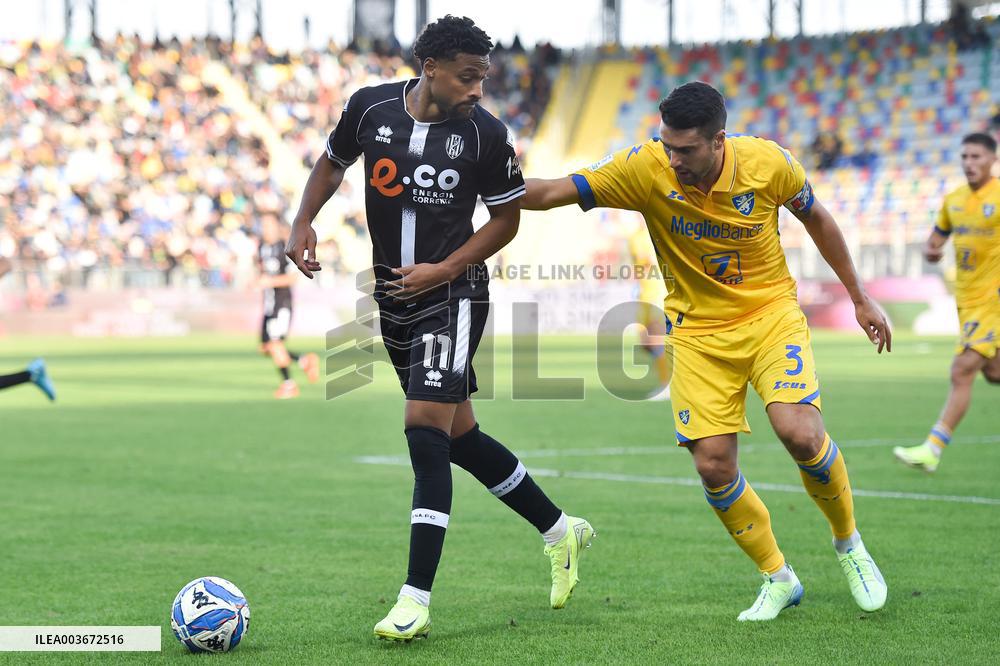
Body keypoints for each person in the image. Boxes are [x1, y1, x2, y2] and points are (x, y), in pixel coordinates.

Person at [522, 81, 891, 621]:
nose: (673, 160)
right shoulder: (645, 167)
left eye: (686, 150)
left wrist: (859, 298)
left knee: (800, 432)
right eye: (667, 146)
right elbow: (555, 191)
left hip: (770, 317)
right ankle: (777, 577)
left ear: (719, 141)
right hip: (695, 334)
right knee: (714, 465)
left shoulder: (769, 163)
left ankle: (849, 545)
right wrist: (484, 186)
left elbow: (817, 218)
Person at [285, 15, 593, 642]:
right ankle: (562, 532)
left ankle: (414, 600)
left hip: (453, 292)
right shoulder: (370, 108)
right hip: (393, 293)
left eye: (484, 77)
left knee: (424, 429)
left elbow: (507, 220)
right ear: (430, 67)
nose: (479, 88)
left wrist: (445, 269)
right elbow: (330, 163)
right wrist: (302, 223)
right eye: (468, 76)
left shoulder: (485, 135)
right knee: (460, 436)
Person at [894, 133, 1000, 472]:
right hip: (967, 300)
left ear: (992, 160)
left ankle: (932, 448)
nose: (969, 163)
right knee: (994, 372)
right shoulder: (953, 200)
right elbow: (935, 240)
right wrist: (932, 250)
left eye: (977, 157)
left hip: (993, 300)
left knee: (962, 369)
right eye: (965, 157)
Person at [257, 212, 319, 399]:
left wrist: (270, 281)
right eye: (263, 225)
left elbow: (293, 277)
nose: (265, 229)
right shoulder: (261, 247)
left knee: (275, 345)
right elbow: (263, 273)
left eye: (269, 225)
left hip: (282, 304)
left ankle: (288, 385)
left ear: (277, 227)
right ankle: (304, 361)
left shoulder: (285, 247)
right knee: (266, 347)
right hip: (269, 305)